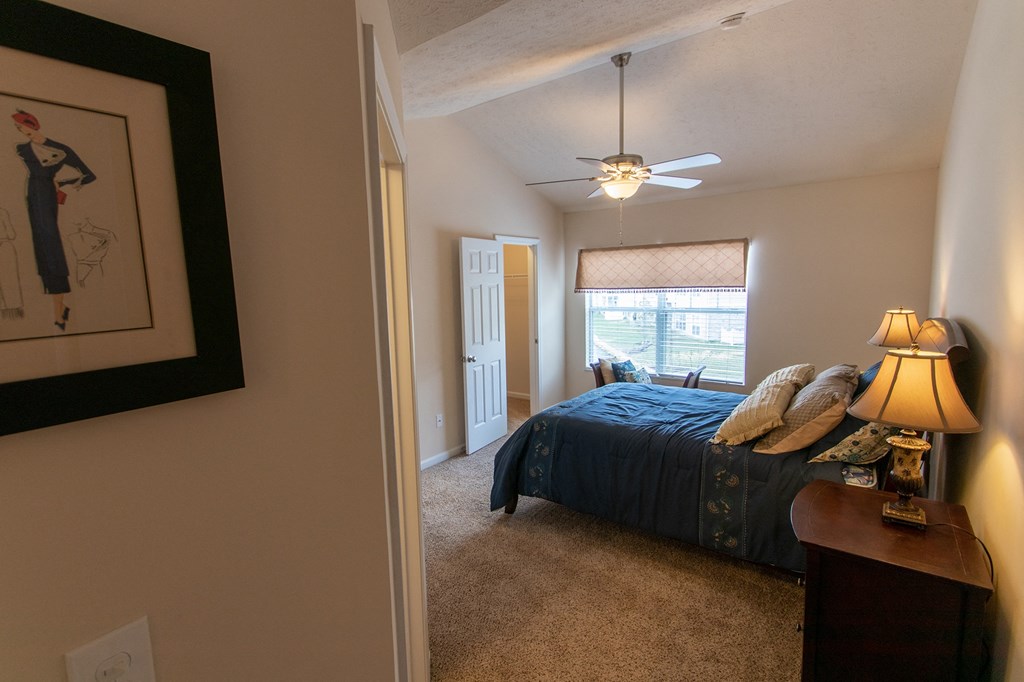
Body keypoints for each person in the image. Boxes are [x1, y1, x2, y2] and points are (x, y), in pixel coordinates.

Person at [11, 109, 96, 331]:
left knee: (50, 242)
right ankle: (59, 308)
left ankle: (59, 309)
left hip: (47, 193)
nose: (21, 131)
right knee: (40, 242)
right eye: (18, 128)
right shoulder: (22, 149)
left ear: (33, 124)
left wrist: (64, 183)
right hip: (32, 192)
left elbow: (88, 174)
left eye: (23, 126)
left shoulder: (61, 148)